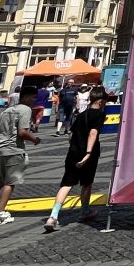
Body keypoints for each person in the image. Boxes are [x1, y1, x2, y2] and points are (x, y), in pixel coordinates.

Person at [0, 86, 41, 226]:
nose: (34, 101)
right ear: (26, 97)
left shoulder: (7, 110)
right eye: (33, 98)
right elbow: (22, 132)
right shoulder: (25, 109)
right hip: (13, 149)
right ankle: (0, 212)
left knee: (2, 178)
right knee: (10, 182)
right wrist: (35, 139)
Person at [45, 85, 108, 232]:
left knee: (66, 184)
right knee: (86, 184)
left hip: (73, 153)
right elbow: (93, 134)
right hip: (88, 155)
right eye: (104, 102)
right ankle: (85, 211)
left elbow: (71, 135)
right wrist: (87, 152)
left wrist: (76, 147)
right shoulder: (99, 114)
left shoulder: (81, 115)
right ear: (100, 102)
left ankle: (53, 216)